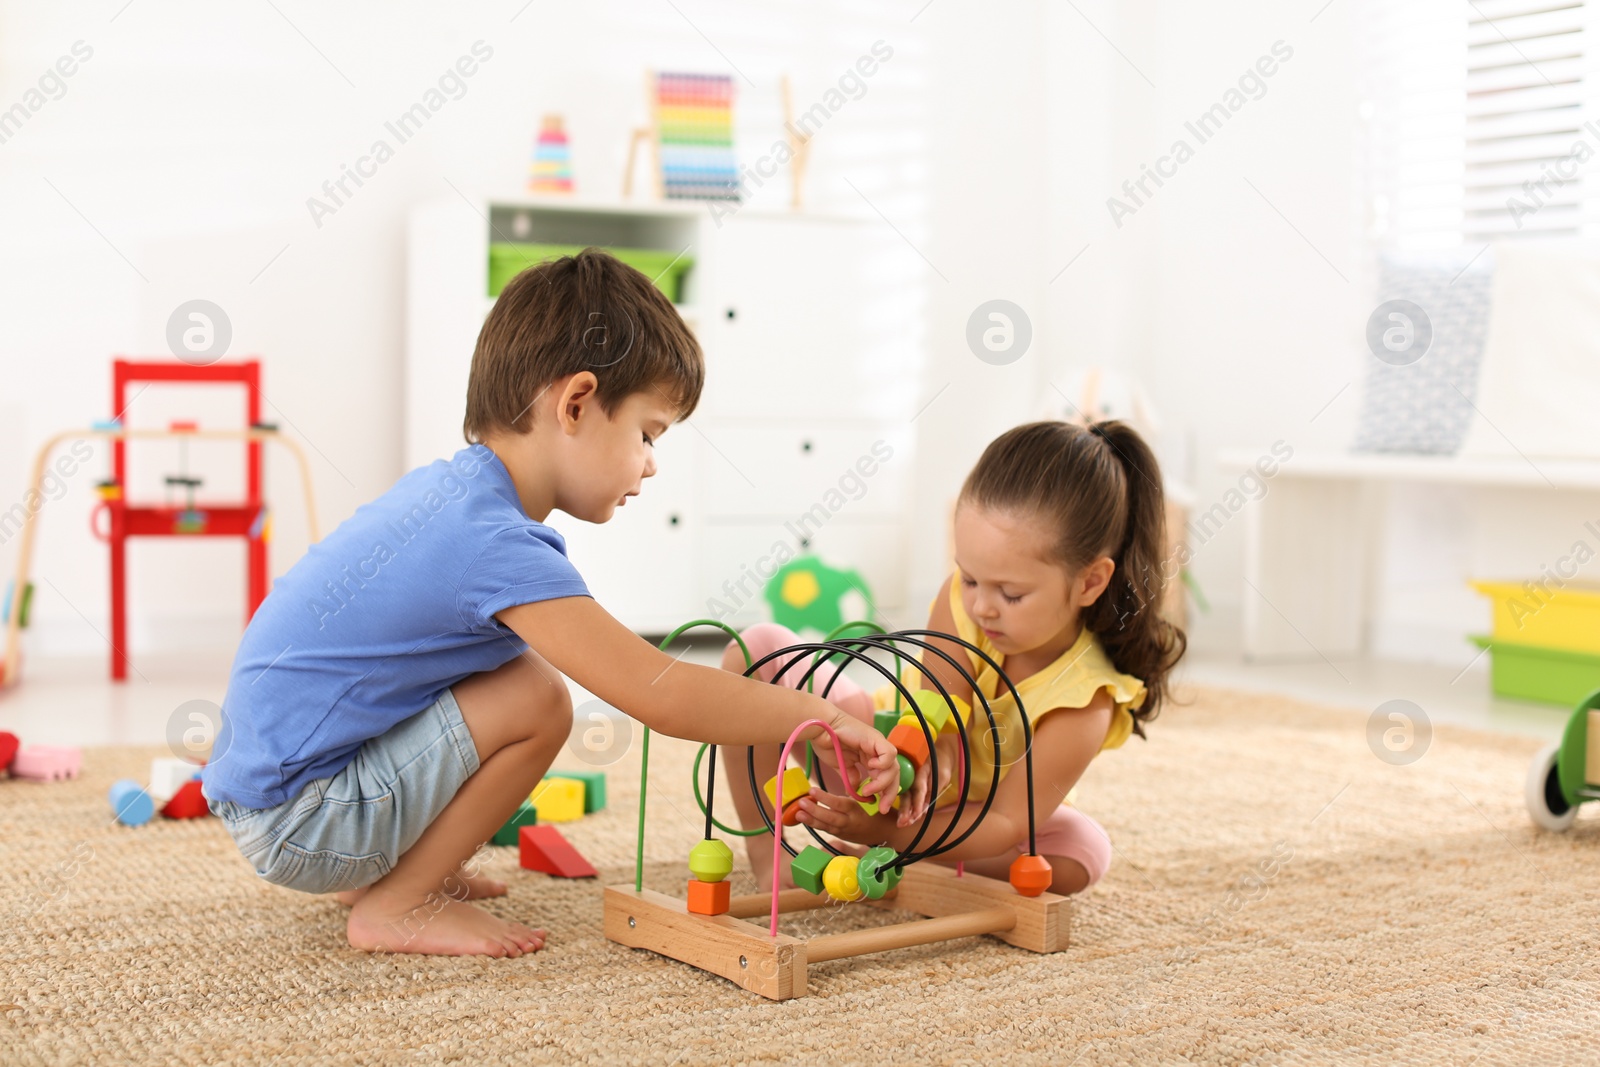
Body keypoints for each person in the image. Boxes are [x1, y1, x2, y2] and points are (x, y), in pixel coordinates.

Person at [200, 249, 899, 957]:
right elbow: (661, 691)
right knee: (537, 698)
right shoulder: (492, 542)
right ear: (575, 403)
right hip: (301, 818)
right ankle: (400, 902)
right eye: (648, 433)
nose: (652, 462)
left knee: (510, 674)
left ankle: (393, 869)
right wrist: (820, 717)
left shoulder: (455, 497)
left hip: (277, 795)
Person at [720, 419, 1185, 895]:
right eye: (969, 578)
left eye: (1011, 593)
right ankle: (770, 855)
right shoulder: (962, 604)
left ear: (1089, 583)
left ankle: (897, 858)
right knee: (755, 651)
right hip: (870, 763)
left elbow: (1006, 820)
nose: (981, 605)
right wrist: (918, 761)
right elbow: (935, 713)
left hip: (967, 822)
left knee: (1082, 851)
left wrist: (886, 832)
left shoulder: (1085, 702)